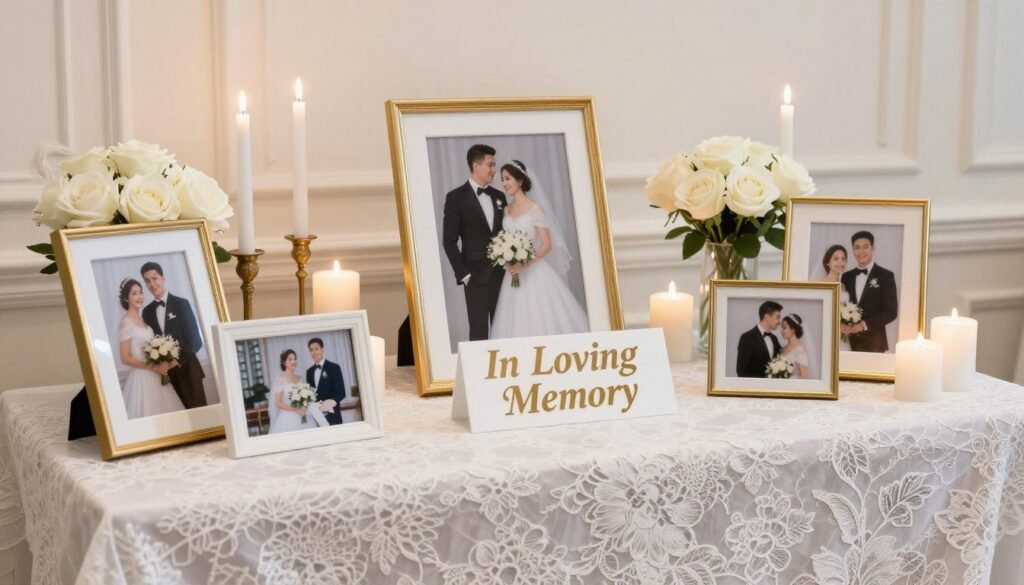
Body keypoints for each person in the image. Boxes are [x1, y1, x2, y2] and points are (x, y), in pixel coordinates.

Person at [489, 160, 589, 339]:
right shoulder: (506, 210)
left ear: (520, 180)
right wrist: (507, 257)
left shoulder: (534, 208)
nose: (504, 183)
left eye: (508, 178)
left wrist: (524, 263)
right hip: (512, 274)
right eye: (502, 180)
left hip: (533, 272)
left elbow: (546, 244)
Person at [442, 144, 508, 341]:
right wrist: (464, 275)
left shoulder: (499, 197)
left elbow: (505, 233)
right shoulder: (455, 198)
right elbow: (449, 241)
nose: (494, 170)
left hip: (501, 275)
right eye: (490, 165)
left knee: (503, 330)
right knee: (479, 333)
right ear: (475, 166)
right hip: (475, 277)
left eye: (494, 165)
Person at [140, 262, 208, 409]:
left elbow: (196, 341)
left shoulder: (181, 304)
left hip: (189, 371)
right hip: (166, 378)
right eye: (147, 281)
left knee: (200, 416)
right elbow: (149, 343)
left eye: (155, 278)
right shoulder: (147, 312)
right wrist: (159, 364)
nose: (152, 284)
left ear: (163, 278)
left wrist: (174, 362)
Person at [117, 278, 186, 418]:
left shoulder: (143, 320)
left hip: (156, 373)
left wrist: (162, 360)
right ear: (126, 298)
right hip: (142, 376)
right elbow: (125, 358)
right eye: (134, 293)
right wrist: (152, 367)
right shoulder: (126, 323)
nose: (140, 296)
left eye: (141, 292)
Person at [840, 231, 898, 353]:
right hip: (848, 342)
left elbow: (891, 312)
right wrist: (841, 324)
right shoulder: (846, 277)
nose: (861, 251)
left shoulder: (886, 275)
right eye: (857, 248)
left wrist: (863, 325)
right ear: (853, 250)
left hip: (875, 344)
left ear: (873, 248)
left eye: (865, 247)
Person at [268, 349, 333, 434]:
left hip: (303, 414)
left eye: (295, 359)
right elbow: (278, 403)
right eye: (290, 359)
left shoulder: (300, 378)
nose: (293, 361)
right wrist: (296, 409)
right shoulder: (280, 380)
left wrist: (305, 405)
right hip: (288, 417)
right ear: (284, 362)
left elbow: (305, 397)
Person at [736, 301, 783, 378]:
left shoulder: (774, 339)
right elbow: (741, 371)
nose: (779, 321)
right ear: (767, 317)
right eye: (777, 317)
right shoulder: (747, 338)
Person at [820, 244, 852, 352]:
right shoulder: (822, 284)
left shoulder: (843, 285)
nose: (840, 262)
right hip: (828, 332)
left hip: (843, 334)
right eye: (836, 259)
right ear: (827, 262)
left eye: (843, 259)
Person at [306, 338, 345, 425]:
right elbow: (310, 395)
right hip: (316, 418)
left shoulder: (334, 367)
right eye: (311, 350)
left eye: (316, 349)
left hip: (333, 416)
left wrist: (330, 403)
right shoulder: (309, 372)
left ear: (323, 349)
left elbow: (341, 392)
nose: (314, 352)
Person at [780, 314, 810, 379]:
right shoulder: (783, 348)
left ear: (793, 329)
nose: (781, 331)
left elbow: (804, 377)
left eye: (784, 328)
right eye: (781, 328)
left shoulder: (800, 350)